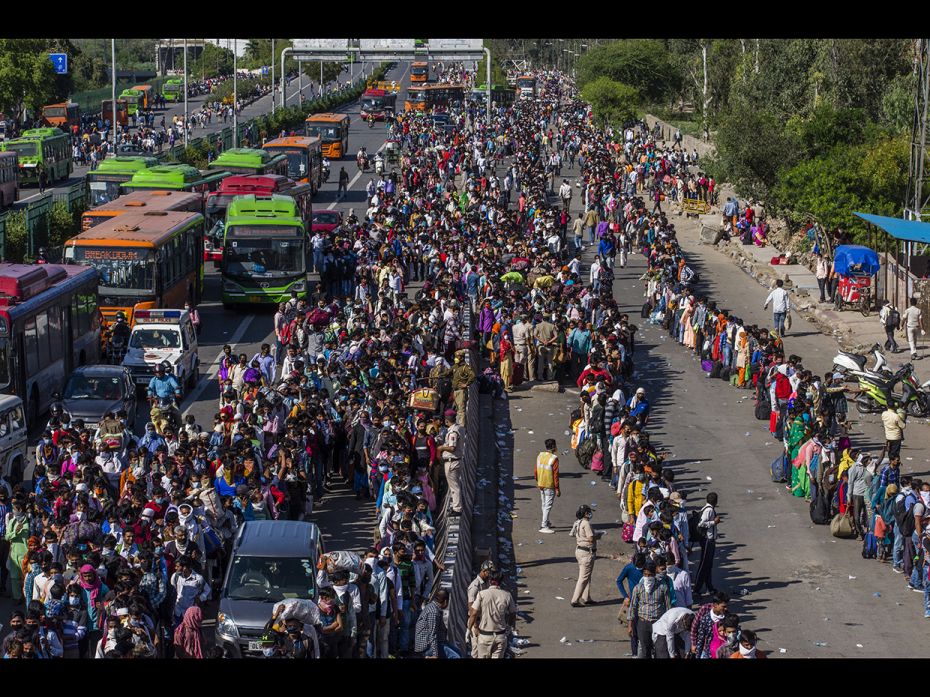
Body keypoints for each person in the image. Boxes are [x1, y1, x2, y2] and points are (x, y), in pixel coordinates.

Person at [628, 561, 672, 658]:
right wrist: (630, 625)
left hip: (659, 624)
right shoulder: (638, 588)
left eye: (650, 575)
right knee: (645, 650)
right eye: (645, 574)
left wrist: (669, 625)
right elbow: (633, 607)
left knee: (660, 650)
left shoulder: (663, 588)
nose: (647, 577)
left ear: (655, 574)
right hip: (643, 623)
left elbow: (669, 608)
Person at [467, 570, 515, 659]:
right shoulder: (507, 595)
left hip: (485, 636)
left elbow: (473, 613)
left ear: (490, 581)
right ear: (501, 582)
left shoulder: (482, 594)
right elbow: (513, 614)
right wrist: (508, 628)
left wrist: (469, 629)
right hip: (500, 636)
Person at [570, 504, 601, 607]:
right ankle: (575, 600)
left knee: (587, 575)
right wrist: (598, 535)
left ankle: (586, 597)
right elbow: (591, 538)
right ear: (586, 513)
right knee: (583, 577)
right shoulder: (586, 523)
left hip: (579, 551)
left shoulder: (578, 522)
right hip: (587, 552)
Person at [692, 492, 720, 597]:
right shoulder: (708, 510)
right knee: (704, 565)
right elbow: (701, 524)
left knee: (708, 565)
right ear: (716, 501)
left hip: (709, 540)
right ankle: (696, 589)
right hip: (707, 540)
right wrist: (714, 522)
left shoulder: (707, 508)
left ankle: (710, 587)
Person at [436, 409, 463, 515]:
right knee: (455, 485)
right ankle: (457, 506)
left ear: (446, 420)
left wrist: (442, 447)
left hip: (452, 461)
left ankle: (457, 508)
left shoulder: (453, 432)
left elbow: (452, 448)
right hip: (456, 460)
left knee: (454, 486)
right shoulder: (459, 428)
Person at [466, 560, 495, 657]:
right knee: (476, 651)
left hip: (483, 620)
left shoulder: (486, 583)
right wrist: (475, 626)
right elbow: (471, 608)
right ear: (484, 571)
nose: (490, 574)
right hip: (476, 621)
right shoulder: (475, 586)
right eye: (489, 572)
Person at [413, 588, 449, 658]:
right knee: (455, 656)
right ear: (445, 601)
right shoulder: (433, 612)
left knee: (456, 652)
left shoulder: (434, 607)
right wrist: (435, 654)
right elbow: (432, 635)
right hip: (426, 646)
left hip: (432, 643)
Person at [534, 438, 560, 533]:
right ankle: (544, 525)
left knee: (544, 504)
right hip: (549, 485)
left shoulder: (540, 456)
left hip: (541, 483)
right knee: (548, 506)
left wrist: (538, 480)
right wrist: (557, 488)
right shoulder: (554, 459)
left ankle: (546, 521)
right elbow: (555, 475)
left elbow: (535, 470)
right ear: (553, 447)